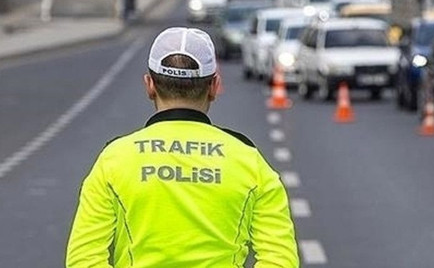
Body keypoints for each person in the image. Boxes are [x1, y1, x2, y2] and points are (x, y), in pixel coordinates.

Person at [66, 27, 299, 267]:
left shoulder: (114, 159)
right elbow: (280, 260)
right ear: (214, 87)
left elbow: (83, 259)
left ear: (149, 85)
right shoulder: (250, 161)